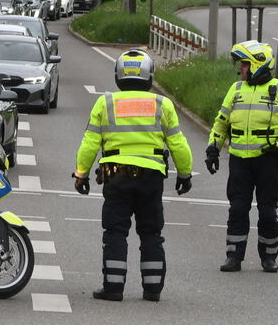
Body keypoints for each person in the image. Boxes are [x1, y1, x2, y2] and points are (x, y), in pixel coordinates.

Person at [73, 49, 193, 301]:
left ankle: (113, 288)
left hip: (116, 176)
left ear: (118, 74)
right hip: (152, 177)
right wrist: (185, 174)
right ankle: (152, 290)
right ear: (149, 75)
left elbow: (90, 143)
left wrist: (81, 174)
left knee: (115, 232)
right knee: (151, 233)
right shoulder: (163, 104)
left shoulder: (105, 103)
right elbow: (178, 143)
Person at [204, 40, 278, 273]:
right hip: (240, 160)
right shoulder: (236, 89)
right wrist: (213, 149)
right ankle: (234, 257)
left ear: (259, 64)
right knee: (237, 208)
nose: (240, 68)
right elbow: (221, 123)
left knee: (267, 210)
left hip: (269, 160)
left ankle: (268, 257)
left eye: (244, 64)